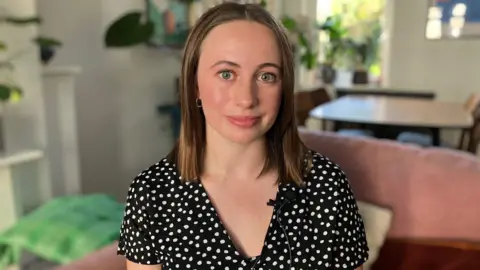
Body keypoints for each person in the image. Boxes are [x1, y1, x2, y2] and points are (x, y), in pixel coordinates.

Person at [117, 2, 369, 269]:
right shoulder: (152, 194)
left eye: (266, 76)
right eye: (226, 74)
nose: (247, 99)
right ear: (194, 86)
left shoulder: (328, 188)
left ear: (284, 89)